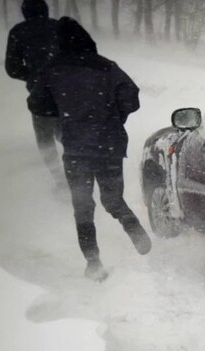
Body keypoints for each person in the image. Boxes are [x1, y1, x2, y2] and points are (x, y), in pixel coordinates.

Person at [28, 17, 151, 281]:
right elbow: (131, 96)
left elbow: (37, 105)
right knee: (112, 199)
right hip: (109, 145)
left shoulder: (53, 70)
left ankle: (93, 262)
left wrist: (62, 112)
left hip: (76, 148)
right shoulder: (106, 67)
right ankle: (133, 228)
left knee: (82, 207)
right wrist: (113, 116)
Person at [5, 0, 64, 187]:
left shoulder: (18, 32)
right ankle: (79, 174)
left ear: (25, 12)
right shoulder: (60, 28)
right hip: (67, 94)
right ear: (45, 10)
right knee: (69, 135)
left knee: (46, 142)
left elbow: (12, 68)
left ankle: (60, 180)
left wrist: (32, 76)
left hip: (41, 98)